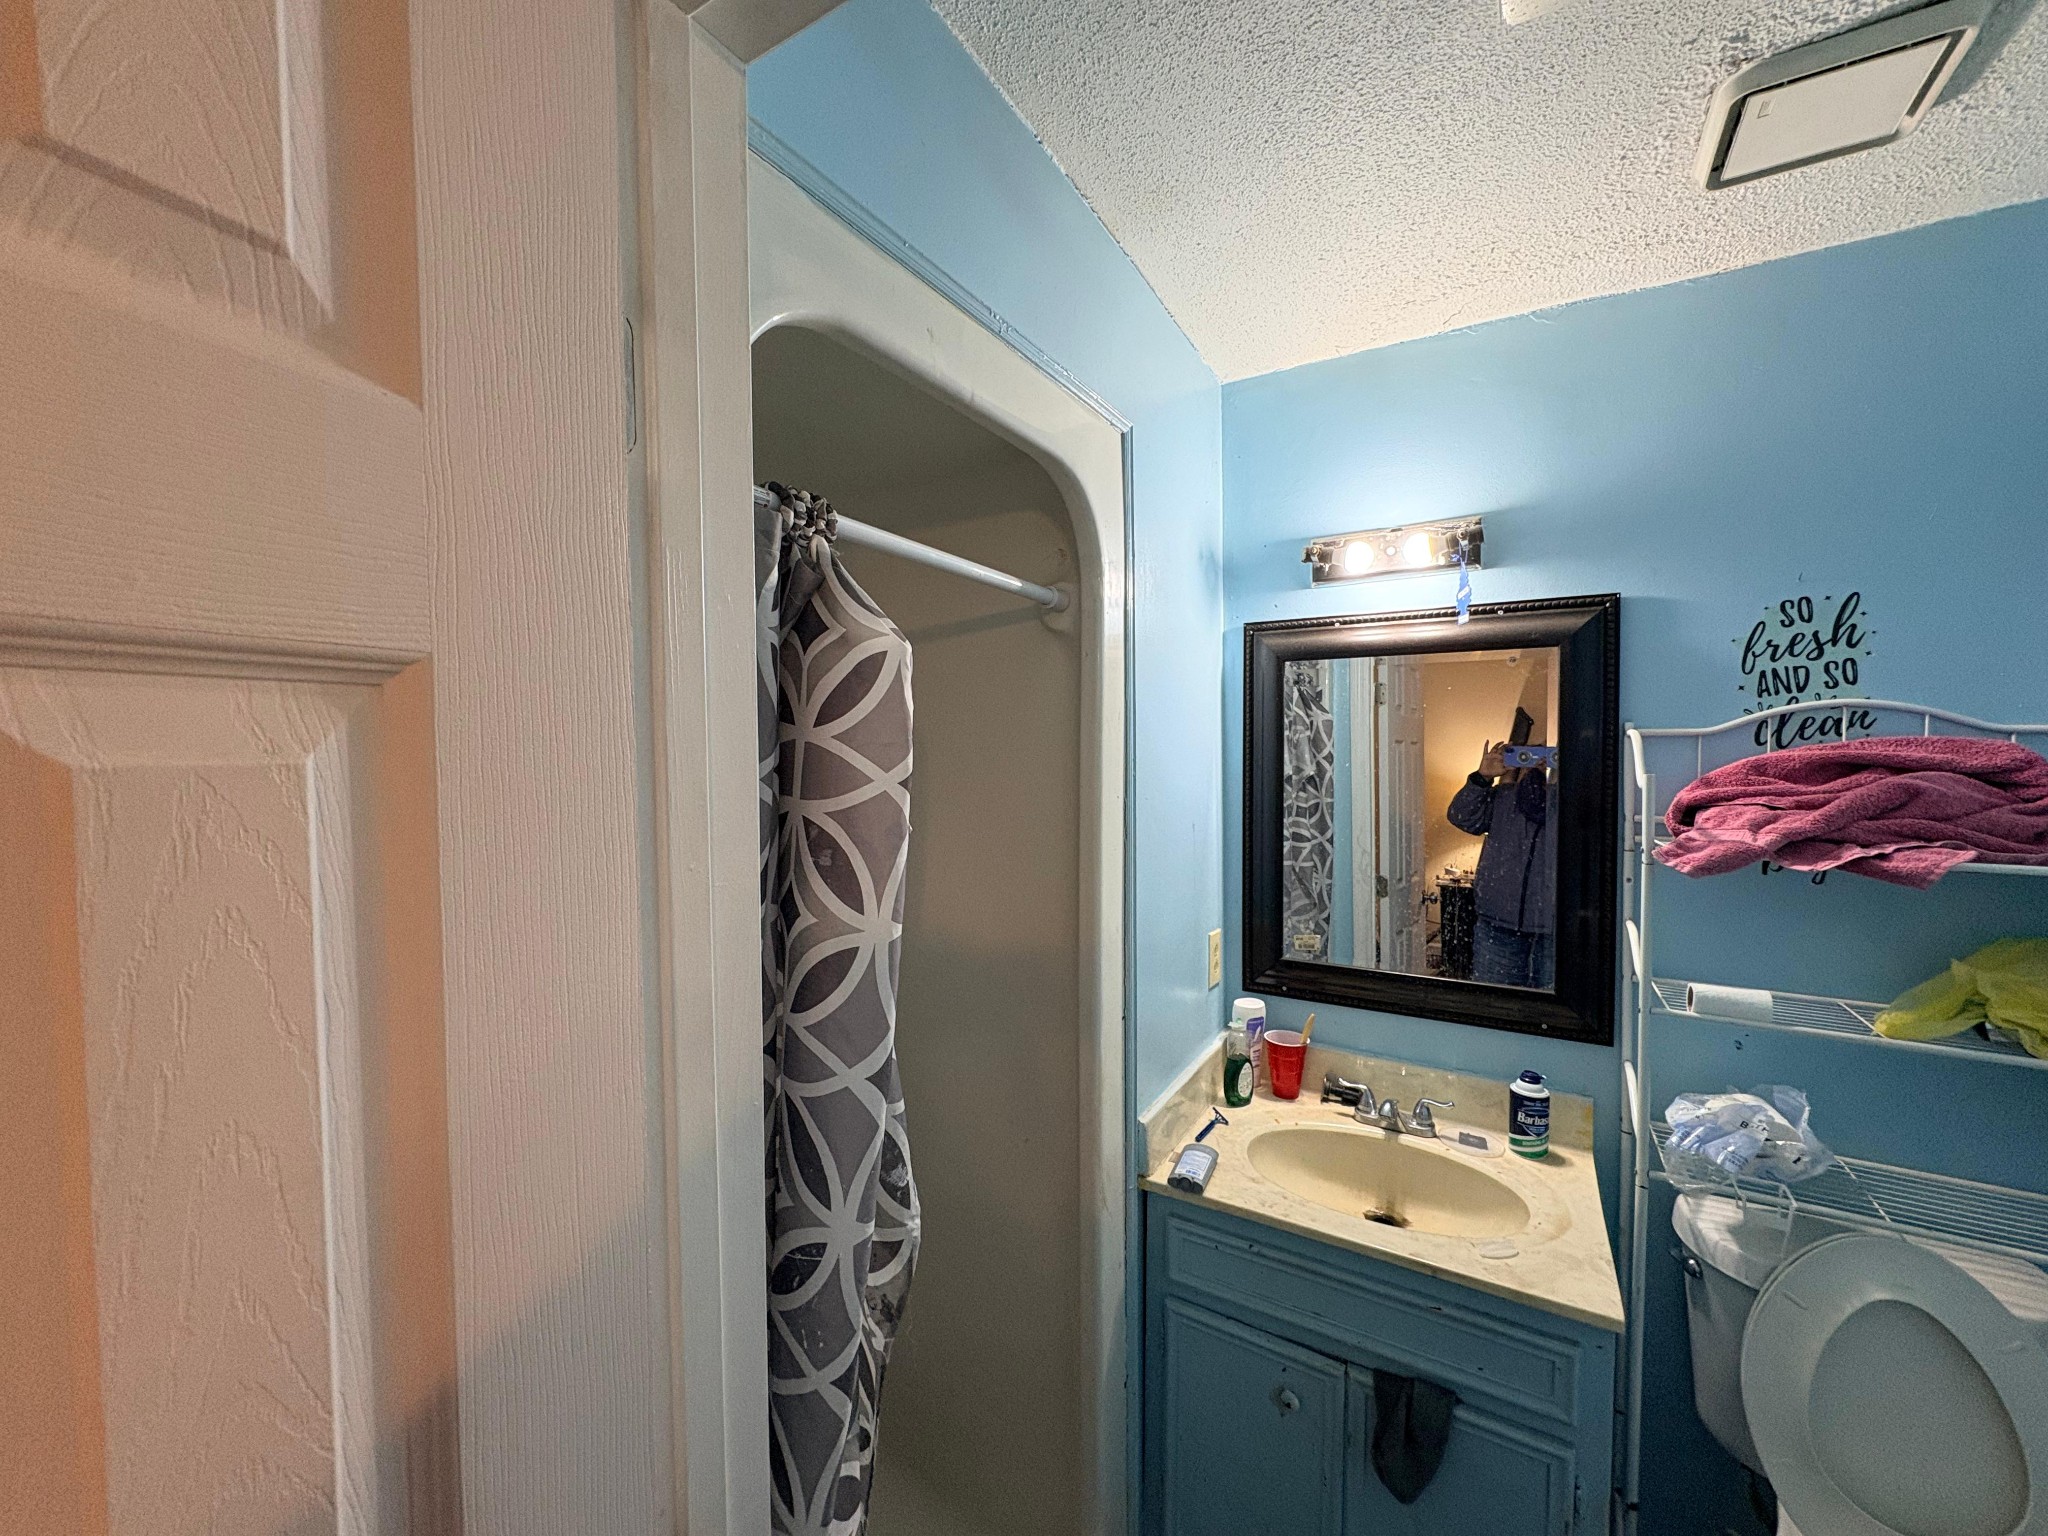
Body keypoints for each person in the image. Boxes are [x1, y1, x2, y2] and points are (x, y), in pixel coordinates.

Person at [1445, 724, 1556, 990]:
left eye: (1546, 756)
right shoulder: (1504, 799)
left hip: (1554, 933)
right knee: (1494, 1007)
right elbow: (1461, 817)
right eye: (1527, 756)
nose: (1536, 763)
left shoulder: (1574, 802)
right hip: (1498, 928)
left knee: (1555, 1017)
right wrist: (1483, 777)